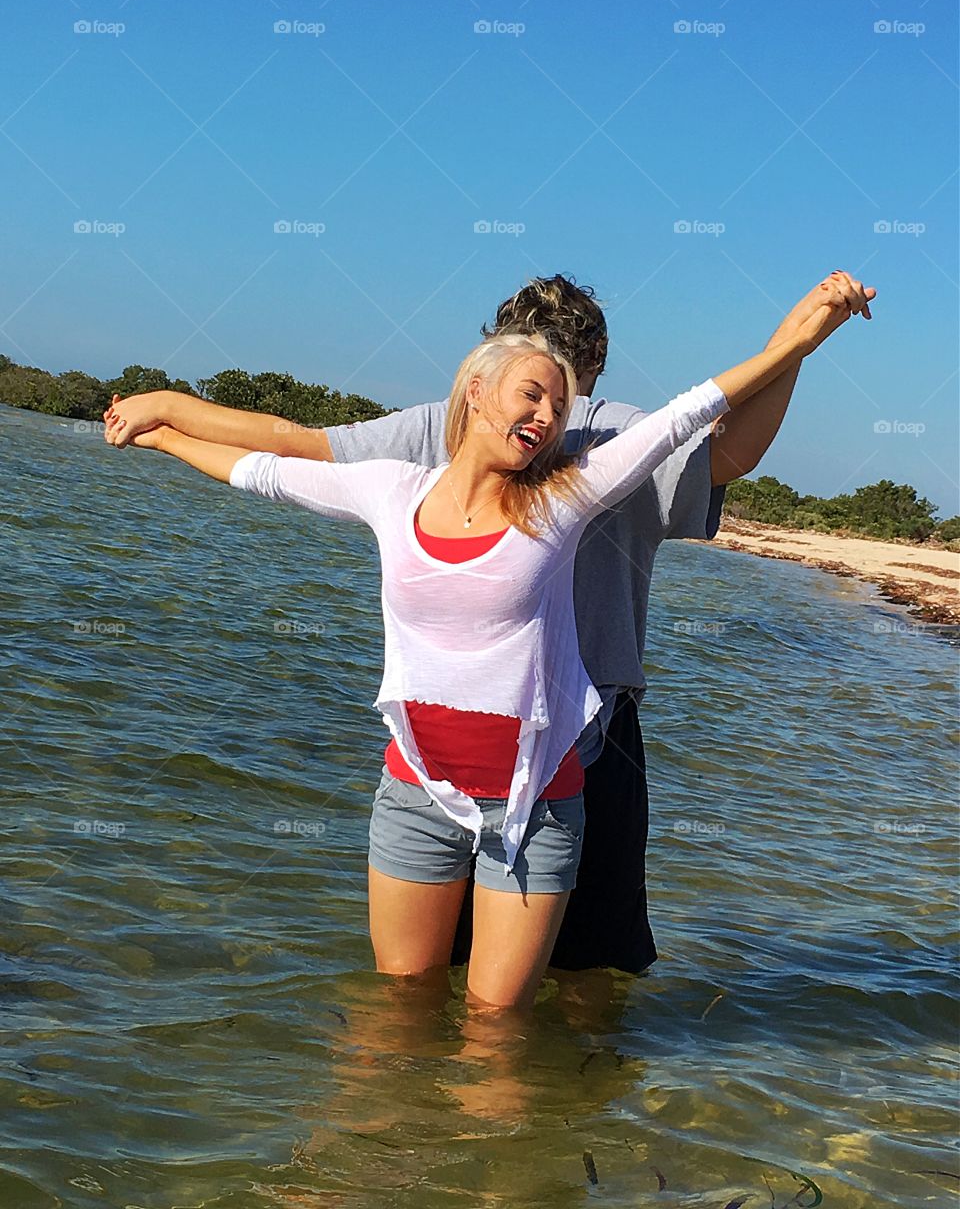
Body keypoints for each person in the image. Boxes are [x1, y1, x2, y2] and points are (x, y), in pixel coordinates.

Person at [102, 275, 873, 1010]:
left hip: (580, 739)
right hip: (440, 763)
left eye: (558, 390)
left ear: (583, 380)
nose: (541, 410)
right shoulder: (427, 437)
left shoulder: (608, 439)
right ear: (485, 375)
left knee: (581, 967)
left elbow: (715, 443)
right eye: (524, 382)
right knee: (450, 979)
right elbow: (284, 457)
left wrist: (797, 344)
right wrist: (164, 417)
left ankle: (560, 1102)